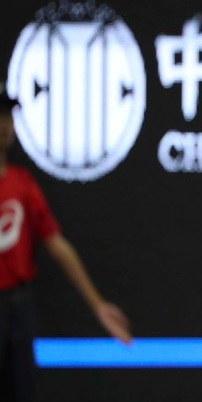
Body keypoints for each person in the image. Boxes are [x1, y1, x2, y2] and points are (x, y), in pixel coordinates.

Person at [0, 88, 132, 402]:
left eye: (7, 116)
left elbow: (56, 245)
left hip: (16, 309)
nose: (3, 124)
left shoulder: (22, 182)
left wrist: (97, 304)